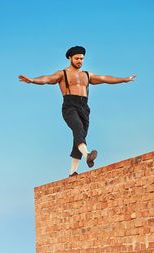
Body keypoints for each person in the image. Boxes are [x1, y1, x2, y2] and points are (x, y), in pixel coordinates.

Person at [18, 45, 136, 177]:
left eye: (82, 58)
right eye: (77, 58)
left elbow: (105, 78)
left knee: (80, 137)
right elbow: (47, 79)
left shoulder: (87, 75)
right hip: (70, 106)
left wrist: (124, 80)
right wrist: (33, 80)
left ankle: (72, 172)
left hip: (84, 107)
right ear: (70, 58)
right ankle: (88, 155)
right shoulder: (62, 74)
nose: (80, 61)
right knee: (78, 129)